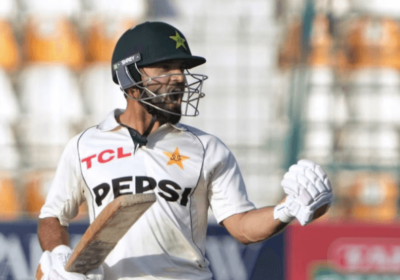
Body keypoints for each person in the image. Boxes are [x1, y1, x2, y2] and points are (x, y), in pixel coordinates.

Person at [37, 21, 333, 280]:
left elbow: (242, 226)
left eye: (181, 69)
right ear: (130, 77)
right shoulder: (84, 145)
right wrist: (59, 252)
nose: (179, 77)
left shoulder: (207, 149)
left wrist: (286, 208)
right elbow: (52, 217)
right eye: (165, 67)